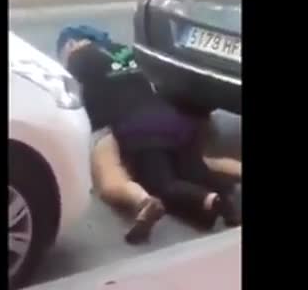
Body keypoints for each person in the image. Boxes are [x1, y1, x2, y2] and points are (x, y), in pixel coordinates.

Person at [57, 26, 241, 243]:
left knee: (145, 181)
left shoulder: (76, 58)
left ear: (70, 44)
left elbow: (67, 99)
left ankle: (143, 201)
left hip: (135, 127)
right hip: (171, 118)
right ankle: (216, 198)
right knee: (197, 168)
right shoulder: (122, 50)